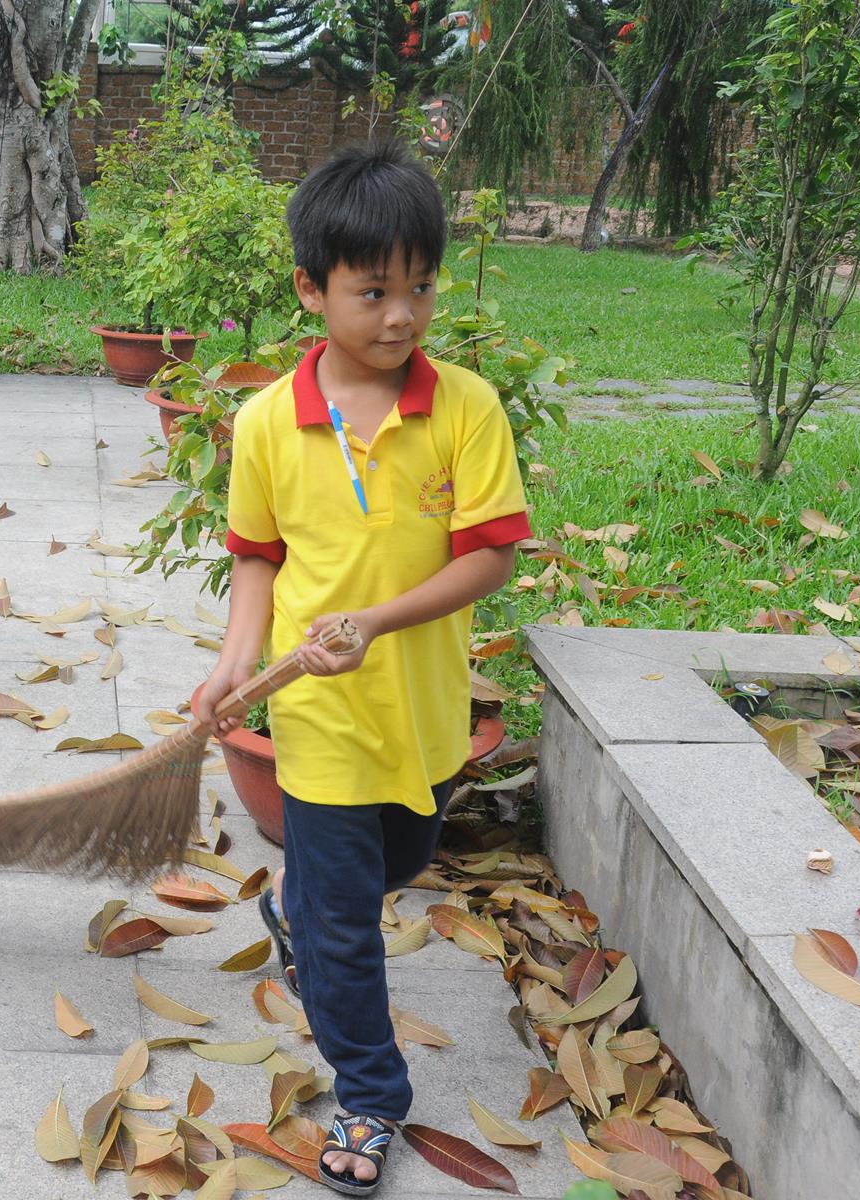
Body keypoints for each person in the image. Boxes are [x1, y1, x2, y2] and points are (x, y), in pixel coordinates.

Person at [193, 141, 529, 1196]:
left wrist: (377, 622)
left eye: (418, 288)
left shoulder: (464, 406)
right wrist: (234, 662)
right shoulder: (265, 422)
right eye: (372, 292)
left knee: (395, 862)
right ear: (312, 289)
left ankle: (299, 909)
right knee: (344, 925)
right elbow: (257, 557)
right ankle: (370, 1094)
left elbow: (490, 555)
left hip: (424, 715)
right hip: (320, 718)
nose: (400, 315)